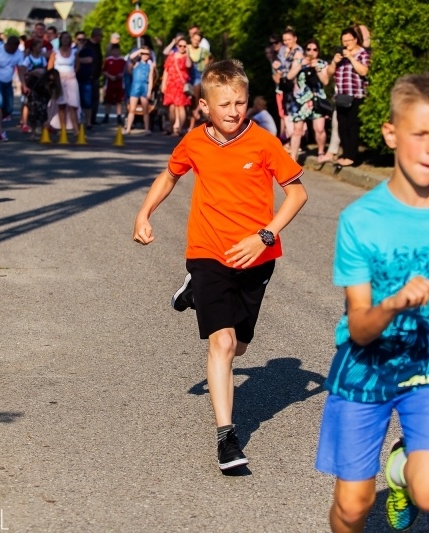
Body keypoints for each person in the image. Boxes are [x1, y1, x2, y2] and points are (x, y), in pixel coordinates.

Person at [314, 73, 429, 533]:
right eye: (420, 135)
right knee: (353, 507)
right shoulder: (360, 222)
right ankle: (386, 476)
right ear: (392, 134)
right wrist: (393, 304)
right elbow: (359, 327)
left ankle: (401, 470)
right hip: (366, 364)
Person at [132, 59, 308, 471]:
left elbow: (297, 195)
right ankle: (226, 437)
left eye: (241, 102)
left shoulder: (264, 143)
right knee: (223, 344)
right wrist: (144, 213)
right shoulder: (194, 141)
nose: (233, 110)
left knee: (241, 344)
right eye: (225, 103)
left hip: (257, 257)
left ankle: (193, 291)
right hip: (207, 251)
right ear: (205, 106)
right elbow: (169, 176)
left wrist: (264, 235)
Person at [326, 27, 370, 168]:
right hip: (341, 97)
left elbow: (364, 71)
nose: (346, 44)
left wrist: (351, 57)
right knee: (342, 126)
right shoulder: (340, 56)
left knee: (353, 126)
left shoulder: (362, 53)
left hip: (356, 95)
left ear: (355, 39)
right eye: (344, 41)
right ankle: (345, 154)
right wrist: (334, 61)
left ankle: (352, 156)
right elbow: (329, 73)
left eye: (349, 41)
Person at [286, 38, 330, 162]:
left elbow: (325, 81)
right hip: (301, 101)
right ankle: (293, 158)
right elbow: (289, 76)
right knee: (297, 130)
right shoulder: (299, 62)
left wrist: (317, 68)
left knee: (319, 128)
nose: (312, 52)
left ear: (318, 51)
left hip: (317, 100)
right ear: (305, 51)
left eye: (315, 49)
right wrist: (301, 64)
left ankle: (321, 152)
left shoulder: (322, 64)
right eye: (309, 49)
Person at [0, 36, 26, 142]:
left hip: (7, 81)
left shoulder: (18, 53)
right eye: (12, 49)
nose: (13, 51)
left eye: (15, 49)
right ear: (8, 45)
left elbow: (20, 70)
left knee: (9, 108)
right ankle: (0, 131)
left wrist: (23, 84)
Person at [47, 31, 80, 137]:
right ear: (60, 40)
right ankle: (63, 129)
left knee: (73, 105)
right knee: (61, 105)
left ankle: (76, 129)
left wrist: (71, 73)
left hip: (71, 79)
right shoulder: (55, 52)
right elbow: (50, 67)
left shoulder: (74, 52)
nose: (65, 40)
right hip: (59, 80)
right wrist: (53, 78)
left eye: (67, 38)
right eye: (63, 38)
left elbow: (77, 66)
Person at [161, 37, 191, 136]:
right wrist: (163, 83)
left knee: (181, 106)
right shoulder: (171, 55)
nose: (182, 47)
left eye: (184, 46)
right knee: (172, 107)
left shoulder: (187, 56)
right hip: (170, 84)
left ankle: (180, 129)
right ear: (177, 46)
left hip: (181, 85)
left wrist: (188, 52)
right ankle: (171, 127)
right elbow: (166, 69)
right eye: (180, 45)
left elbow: (188, 65)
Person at [124, 46, 154, 135]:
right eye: (143, 54)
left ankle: (147, 129)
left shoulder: (150, 65)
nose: (145, 55)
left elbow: (151, 78)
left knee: (145, 110)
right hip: (135, 86)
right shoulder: (136, 63)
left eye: (147, 54)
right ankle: (128, 128)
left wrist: (149, 91)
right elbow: (131, 57)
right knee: (132, 109)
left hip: (144, 86)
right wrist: (140, 50)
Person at [77, 27, 103, 129]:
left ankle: (92, 119)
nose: (101, 38)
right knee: (85, 99)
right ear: (96, 36)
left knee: (94, 98)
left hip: (95, 75)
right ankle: (83, 120)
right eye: (100, 36)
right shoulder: (87, 45)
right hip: (85, 75)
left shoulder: (98, 46)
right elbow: (79, 58)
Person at [20, 39, 47, 133]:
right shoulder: (28, 59)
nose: (41, 49)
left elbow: (46, 71)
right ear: (34, 48)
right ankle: (32, 129)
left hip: (41, 85)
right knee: (31, 107)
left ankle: (44, 130)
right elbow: (23, 73)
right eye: (39, 47)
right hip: (31, 85)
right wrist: (32, 73)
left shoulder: (43, 59)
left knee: (43, 107)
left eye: (41, 47)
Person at [187, 31, 211, 129]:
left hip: (198, 74)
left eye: (198, 40)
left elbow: (207, 62)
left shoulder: (203, 51)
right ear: (191, 39)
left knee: (196, 95)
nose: (196, 42)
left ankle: (196, 114)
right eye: (195, 39)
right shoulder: (187, 48)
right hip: (187, 74)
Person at [102, 43, 126, 125]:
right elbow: (104, 71)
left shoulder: (122, 61)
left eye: (117, 51)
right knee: (108, 100)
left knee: (119, 101)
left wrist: (121, 75)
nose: (116, 52)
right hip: (110, 83)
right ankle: (106, 116)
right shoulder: (108, 60)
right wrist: (110, 76)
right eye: (114, 51)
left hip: (119, 83)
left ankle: (119, 116)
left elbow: (125, 71)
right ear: (112, 51)